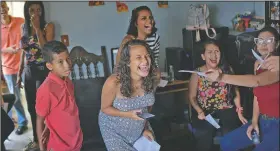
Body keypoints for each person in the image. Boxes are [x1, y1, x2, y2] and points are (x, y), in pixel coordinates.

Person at [216, 26, 279, 151]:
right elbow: (257, 96)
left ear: (277, 44)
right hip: (262, 120)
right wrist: (255, 121)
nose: (263, 44)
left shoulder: (277, 67)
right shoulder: (257, 64)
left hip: (277, 124)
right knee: (226, 143)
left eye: (269, 40)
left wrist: (221, 77)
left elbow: (256, 81)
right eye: (260, 40)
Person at [99, 39, 158, 151]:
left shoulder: (152, 78)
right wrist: (127, 114)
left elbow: (148, 107)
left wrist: (145, 128)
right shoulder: (113, 82)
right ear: (128, 62)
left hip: (140, 127)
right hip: (114, 131)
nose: (145, 61)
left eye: (147, 56)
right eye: (138, 57)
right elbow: (104, 108)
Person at [188, 40, 247, 151]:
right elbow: (192, 96)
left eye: (217, 51)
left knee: (230, 135)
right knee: (204, 137)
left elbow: (235, 92)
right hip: (205, 111)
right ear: (203, 56)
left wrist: (239, 112)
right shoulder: (197, 73)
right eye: (209, 52)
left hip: (227, 109)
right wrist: (199, 111)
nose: (214, 55)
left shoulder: (227, 70)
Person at [17, 1, 55, 150]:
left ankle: (49, 139)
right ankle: (37, 140)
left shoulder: (48, 26)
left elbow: (46, 50)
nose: (36, 13)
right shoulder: (23, 27)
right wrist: (20, 73)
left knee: (43, 108)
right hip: (28, 72)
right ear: (27, 12)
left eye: (39, 10)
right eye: (32, 10)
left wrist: (38, 29)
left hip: (42, 70)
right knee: (32, 109)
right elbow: (23, 52)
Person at [36, 40, 83, 151]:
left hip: (76, 140)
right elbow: (39, 119)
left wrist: (49, 125)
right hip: (60, 146)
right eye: (60, 62)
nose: (67, 65)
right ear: (49, 66)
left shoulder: (67, 81)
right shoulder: (46, 90)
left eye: (68, 59)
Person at [1, 1, 28, 135]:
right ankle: (22, 122)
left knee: (31, 95)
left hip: (26, 64)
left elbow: (28, 37)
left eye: (3, 7)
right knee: (15, 98)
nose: (2, 10)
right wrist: (7, 49)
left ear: (7, 8)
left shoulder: (20, 21)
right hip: (9, 68)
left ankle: (38, 120)